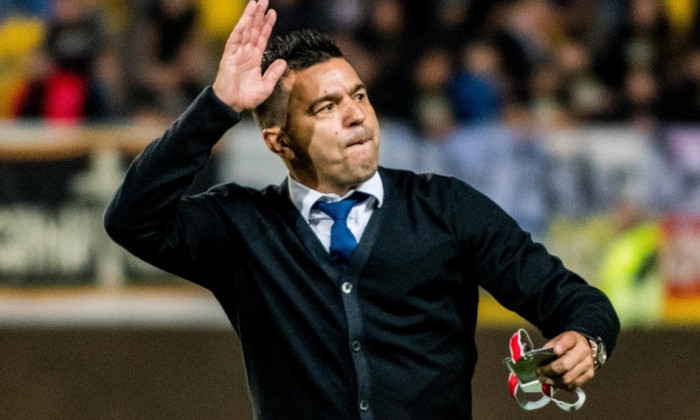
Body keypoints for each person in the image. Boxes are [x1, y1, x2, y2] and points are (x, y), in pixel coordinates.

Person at [104, 1, 620, 418]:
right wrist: (217, 106)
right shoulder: (242, 226)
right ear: (278, 141)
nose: (355, 116)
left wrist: (585, 341)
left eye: (360, 96)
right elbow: (131, 219)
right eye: (326, 107)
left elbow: (575, 300)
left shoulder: (445, 207)